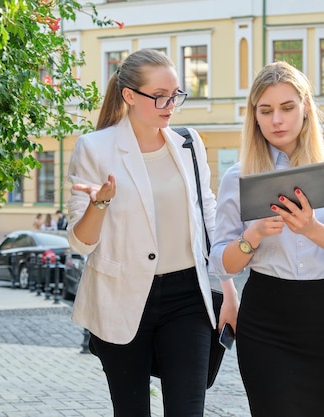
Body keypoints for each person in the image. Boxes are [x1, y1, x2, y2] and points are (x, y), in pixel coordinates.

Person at [65, 48, 238, 416]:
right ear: (130, 95)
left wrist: (228, 290)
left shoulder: (188, 143)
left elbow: (208, 221)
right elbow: (81, 244)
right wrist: (99, 205)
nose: (170, 104)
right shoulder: (94, 148)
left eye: (176, 94)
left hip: (188, 299)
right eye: (160, 96)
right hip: (121, 297)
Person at [208, 61, 324, 417]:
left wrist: (311, 229)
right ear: (254, 117)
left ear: (305, 109)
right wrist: (252, 236)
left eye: (287, 108)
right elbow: (221, 262)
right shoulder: (239, 176)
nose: (277, 120)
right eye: (265, 111)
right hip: (265, 316)